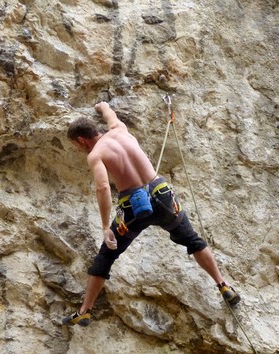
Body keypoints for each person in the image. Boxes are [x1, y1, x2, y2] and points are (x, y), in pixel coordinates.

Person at [62, 102, 241, 327]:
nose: (79, 150)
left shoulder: (95, 154)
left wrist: (106, 226)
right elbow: (110, 114)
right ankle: (223, 285)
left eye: (77, 146)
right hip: (163, 197)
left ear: (81, 140)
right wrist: (102, 106)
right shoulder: (119, 129)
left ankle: (85, 311)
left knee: (106, 256)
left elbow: (103, 188)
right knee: (193, 240)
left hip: (134, 209)